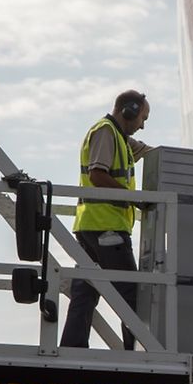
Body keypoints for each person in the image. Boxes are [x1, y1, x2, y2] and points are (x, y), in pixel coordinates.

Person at [60, 90, 152, 350]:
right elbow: (98, 175)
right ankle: (133, 352)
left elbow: (152, 152)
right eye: (142, 117)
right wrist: (134, 198)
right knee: (130, 293)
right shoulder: (106, 133)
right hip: (106, 229)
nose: (143, 125)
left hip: (92, 226)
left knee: (86, 291)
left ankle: (73, 346)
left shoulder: (121, 139)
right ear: (129, 111)